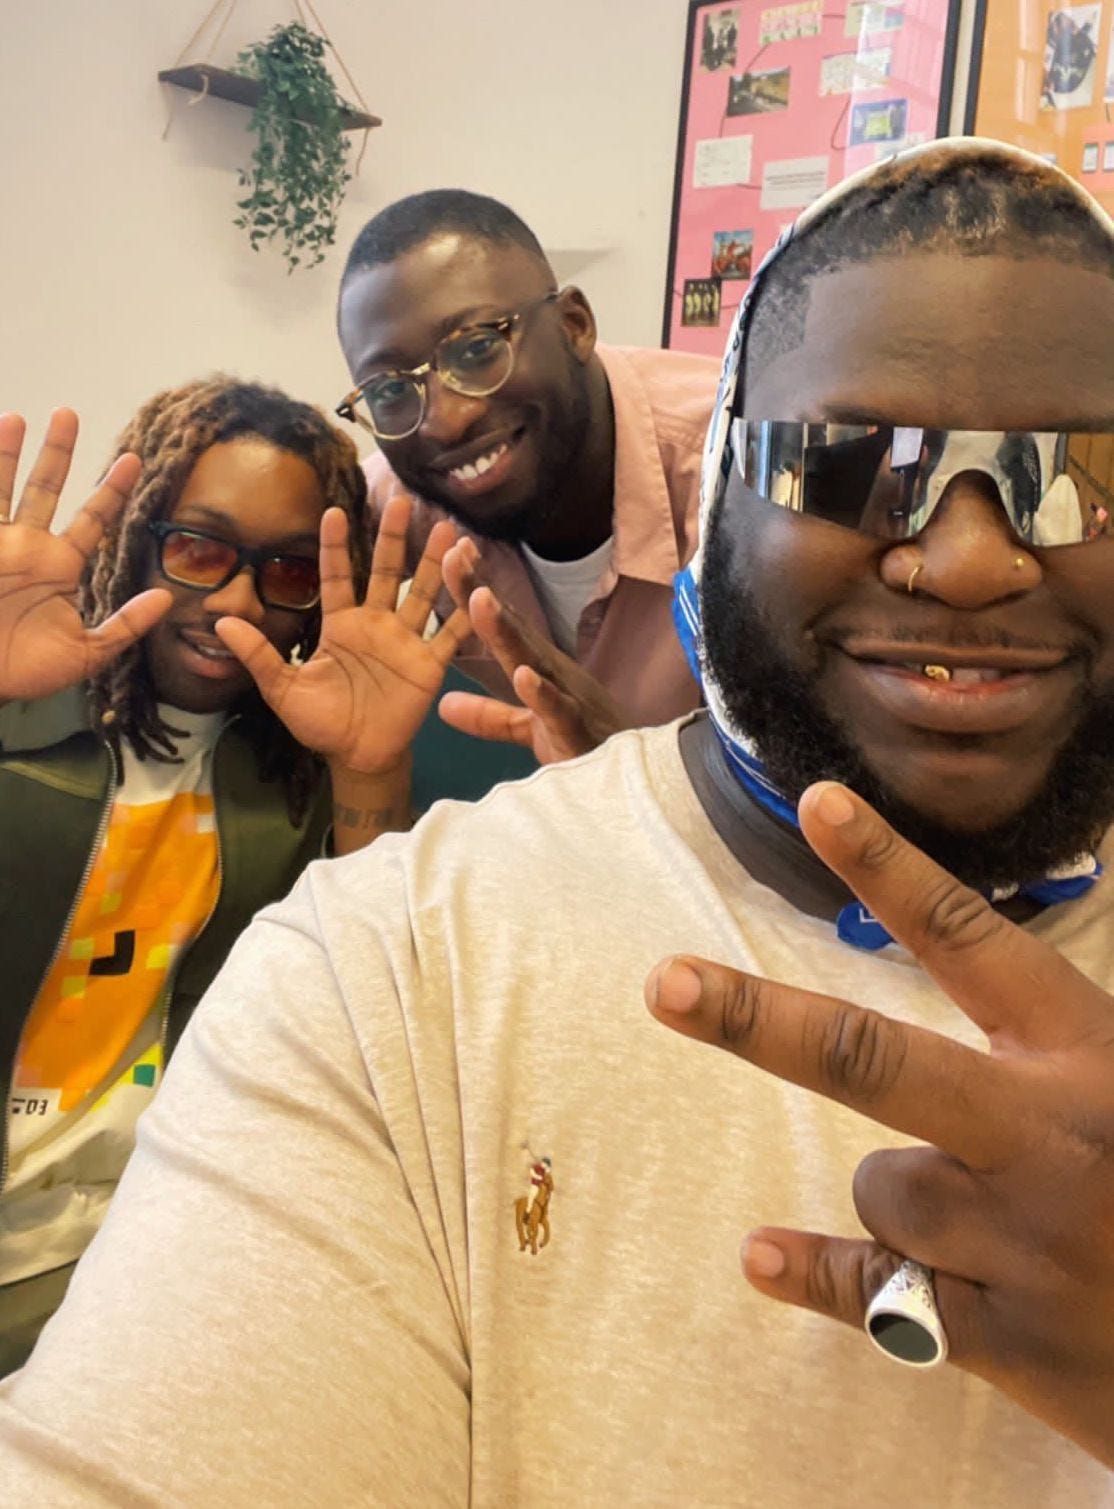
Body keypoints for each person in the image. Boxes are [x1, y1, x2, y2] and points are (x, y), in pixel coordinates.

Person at [2, 139, 1114, 1501]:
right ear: (728, 502)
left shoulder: (687, 429)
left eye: (1083, 473)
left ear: (574, 329)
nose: (970, 558)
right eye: (843, 466)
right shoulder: (390, 942)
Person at [0, 377, 475, 1371]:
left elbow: (386, 1021)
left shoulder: (302, 776)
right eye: (199, 549)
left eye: (287, 569)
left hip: (144, 1261)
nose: (235, 601)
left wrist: (370, 768)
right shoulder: (25, 713)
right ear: (137, 538)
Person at [335, 188, 719, 759]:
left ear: (574, 324)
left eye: (476, 350)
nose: (445, 422)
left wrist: (635, 772)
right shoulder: (401, 509)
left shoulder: (740, 474)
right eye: (390, 391)